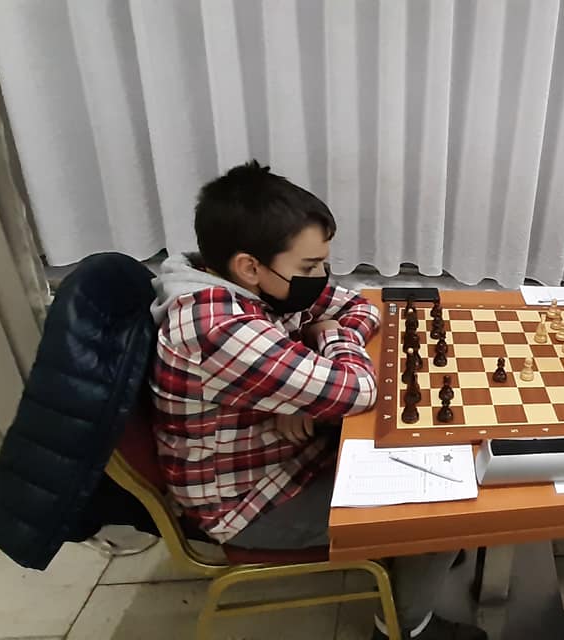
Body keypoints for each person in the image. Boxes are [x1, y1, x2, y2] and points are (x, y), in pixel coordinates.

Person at [150, 161, 485, 640]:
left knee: (434, 455)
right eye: (309, 267)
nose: (322, 278)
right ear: (250, 266)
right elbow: (358, 389)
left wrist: (301, 383)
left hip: (290, 456)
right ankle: (406, 629)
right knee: (439, 508)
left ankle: (422, 559)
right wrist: (327, 338)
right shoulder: (217, 326)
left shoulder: (246, 284)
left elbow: (360, 304)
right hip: (252, 504)